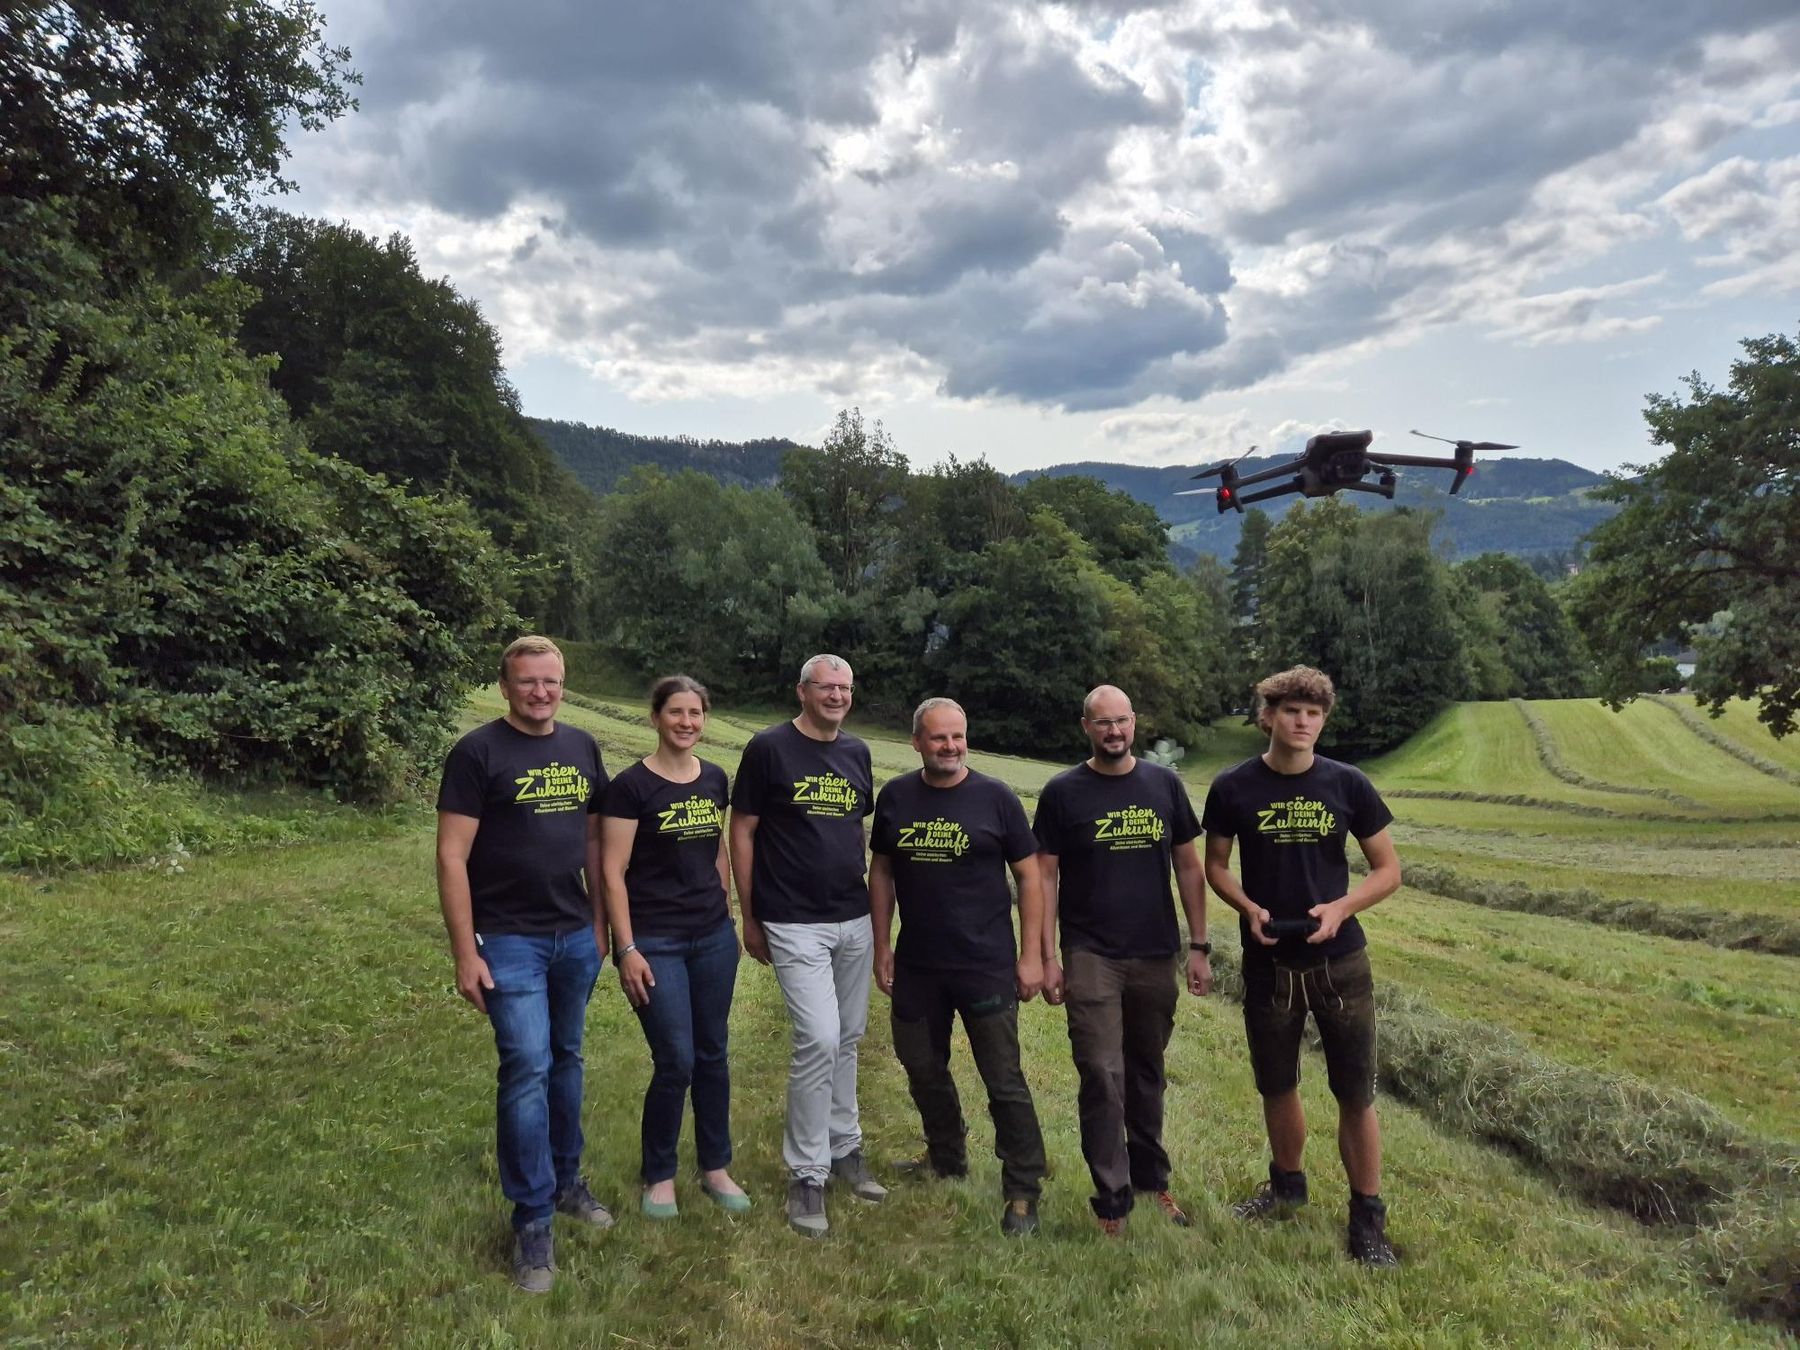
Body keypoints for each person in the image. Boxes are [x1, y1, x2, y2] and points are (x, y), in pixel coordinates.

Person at [1200, 665, 1404, 1267]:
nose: (1303, 723)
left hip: (1340, 961)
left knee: (1354, 1090)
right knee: (1277, 1081)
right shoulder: (1233, 787)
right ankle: (1287, 1185)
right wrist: (1247, 907)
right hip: (1269, 960)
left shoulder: (1348, 784)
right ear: (1267, 716)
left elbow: (1389, 871)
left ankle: (1367, 1217)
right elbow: (1215, 865)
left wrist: (1342, 907)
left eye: (1314, 714)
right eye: (1292, 711)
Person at [435, 635, 612, 1294]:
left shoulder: (582, 747)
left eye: (551, 681)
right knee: (527, 1064)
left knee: (566, 1058)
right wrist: (465, 951)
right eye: (528, 682)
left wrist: (601, 923)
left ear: (564, 683)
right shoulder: (478, 753)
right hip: (508, 940)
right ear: (506, 686)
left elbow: (596, 837)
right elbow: (451, 855)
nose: (541, 693)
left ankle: (568, 1181)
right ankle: (532, 1217)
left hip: (574, 935)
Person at [1032, 685, 1212, 1236]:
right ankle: (1112, 1200)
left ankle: (1152, 1181)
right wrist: (1045, 955)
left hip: (1155, 951)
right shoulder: (1063, 792)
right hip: (1090, 953)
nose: (1114, 731)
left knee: (1146, 1071)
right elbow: (1043, 874)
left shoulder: (1164, 785)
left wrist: (1199, 946)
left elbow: (1188, 867)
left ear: (1135, 723)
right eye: (1103, 722)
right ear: (1085, 726)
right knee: (1100, 1073)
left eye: (1123, 721)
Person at [869, 698, 1049, 1236]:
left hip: (985, 966)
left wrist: (1032, 954)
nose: (950, 746)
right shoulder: (896, 796)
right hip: (920, 964)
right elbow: (881, 873)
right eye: (939, 738)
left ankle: (1022, 1189)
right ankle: (946, 1155)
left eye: (958, 737)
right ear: (917, 742)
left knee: (1004, 1080)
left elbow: (1031, 877)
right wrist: (883, 945)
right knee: (922, 1066)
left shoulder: (995, 798)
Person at [730, 653, 885, 1238]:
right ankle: (806, 1172)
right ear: (802, 691)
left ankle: (846, 1148)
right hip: (792, 920)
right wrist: (749, 913)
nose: (837, 696)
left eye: (845, 687)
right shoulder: (769, 748)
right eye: (827, 687)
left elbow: (854, 827)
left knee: (847, 1037)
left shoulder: (858, 752)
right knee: (818, 1037)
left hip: (852, 915)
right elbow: (742, 829)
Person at [602, 675, 751, 1221]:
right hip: (656, 941)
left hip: (711, 936)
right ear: (656, 717)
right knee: (676, 1059)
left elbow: (717, 854)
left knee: (713, 1053)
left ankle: (715, 1166)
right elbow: (611, 871)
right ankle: (659, 1173)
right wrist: (627, 949)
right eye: (676, 713)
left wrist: (729, 917)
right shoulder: (630, 787)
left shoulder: (714, 779)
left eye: (695, 714)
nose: (686, 723)